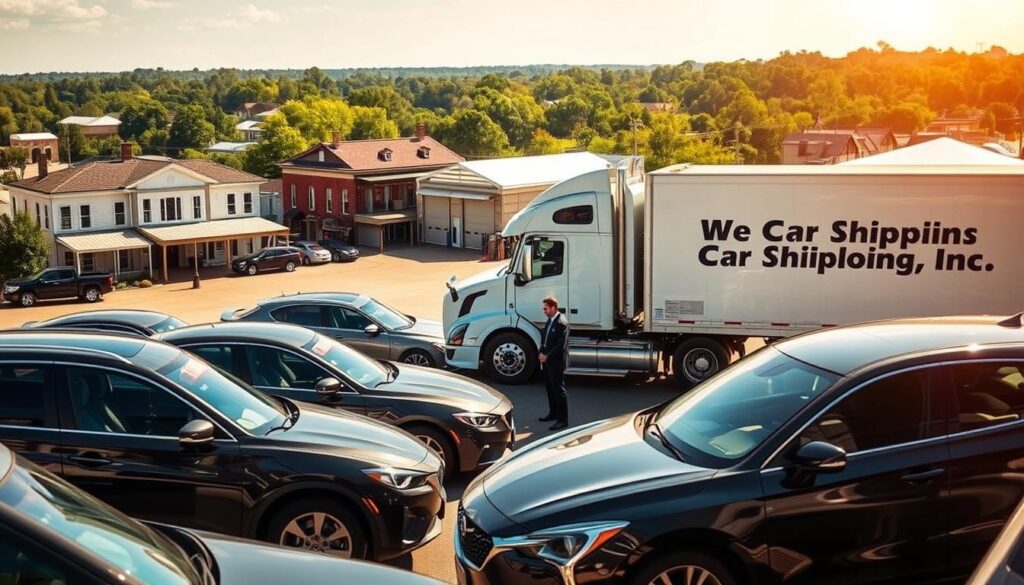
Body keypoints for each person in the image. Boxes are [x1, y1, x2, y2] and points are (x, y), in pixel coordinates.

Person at [538, 296, 570, 430]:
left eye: (545, 308)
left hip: (555, 362)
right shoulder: (550, 320)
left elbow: (560, 345)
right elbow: (544, 337)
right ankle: (553, 413)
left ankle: (563, 420)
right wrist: (540, 352)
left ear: (553, 308)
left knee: (559, 390)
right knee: (550, 389)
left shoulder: (561, 323)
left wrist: (547, 356)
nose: (544, 311)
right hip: (547, 361)